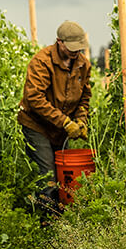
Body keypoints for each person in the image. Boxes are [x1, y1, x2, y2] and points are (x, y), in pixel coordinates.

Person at [17, 21, 92, 213]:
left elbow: (85, 97)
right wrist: (65, 122)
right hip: (37, 125)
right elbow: (34, 98)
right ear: (59, 42)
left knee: (62, 173)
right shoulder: (42, 61)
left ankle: (61, 215)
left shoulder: (83, 65)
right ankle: (46, 220)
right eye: (71, 48)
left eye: (78, 48)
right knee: (48, 173)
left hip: (61, 129)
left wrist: (81, 120)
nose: (76, 52)